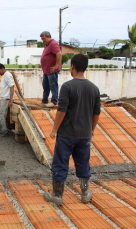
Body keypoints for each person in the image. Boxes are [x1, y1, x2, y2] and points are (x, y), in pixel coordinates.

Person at [43, 54, 101, 205]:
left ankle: (57, 195)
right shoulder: (94, 88)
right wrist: (92, 129)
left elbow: (62, 111)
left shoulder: (68, 86)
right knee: (83, 162)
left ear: (73, 67)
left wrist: (54, 129)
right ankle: (85, 193)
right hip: (84, 135)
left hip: (67, 134)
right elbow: (96, 113)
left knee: (60, 162)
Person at [40, 31, 62, 108]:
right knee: (46, 85)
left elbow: (59, 54)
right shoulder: (47, 45)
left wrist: (56, 66)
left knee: (53, 85)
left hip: (52, 70)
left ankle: (54, 101)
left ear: (49, 37)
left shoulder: (53, 43)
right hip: (46, 70)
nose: (43, 40)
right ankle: (45, 100)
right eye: (42, 39)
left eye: (44, 38)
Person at [0, 63, 14, 136]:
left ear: (2, 69)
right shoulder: (5, 75)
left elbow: (12, 86)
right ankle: (2, 130)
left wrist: (11, 99)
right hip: (4, 98)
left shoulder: (8, 75)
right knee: (2, 115)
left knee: (1, 115)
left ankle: (4, 131)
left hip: (6, 98)